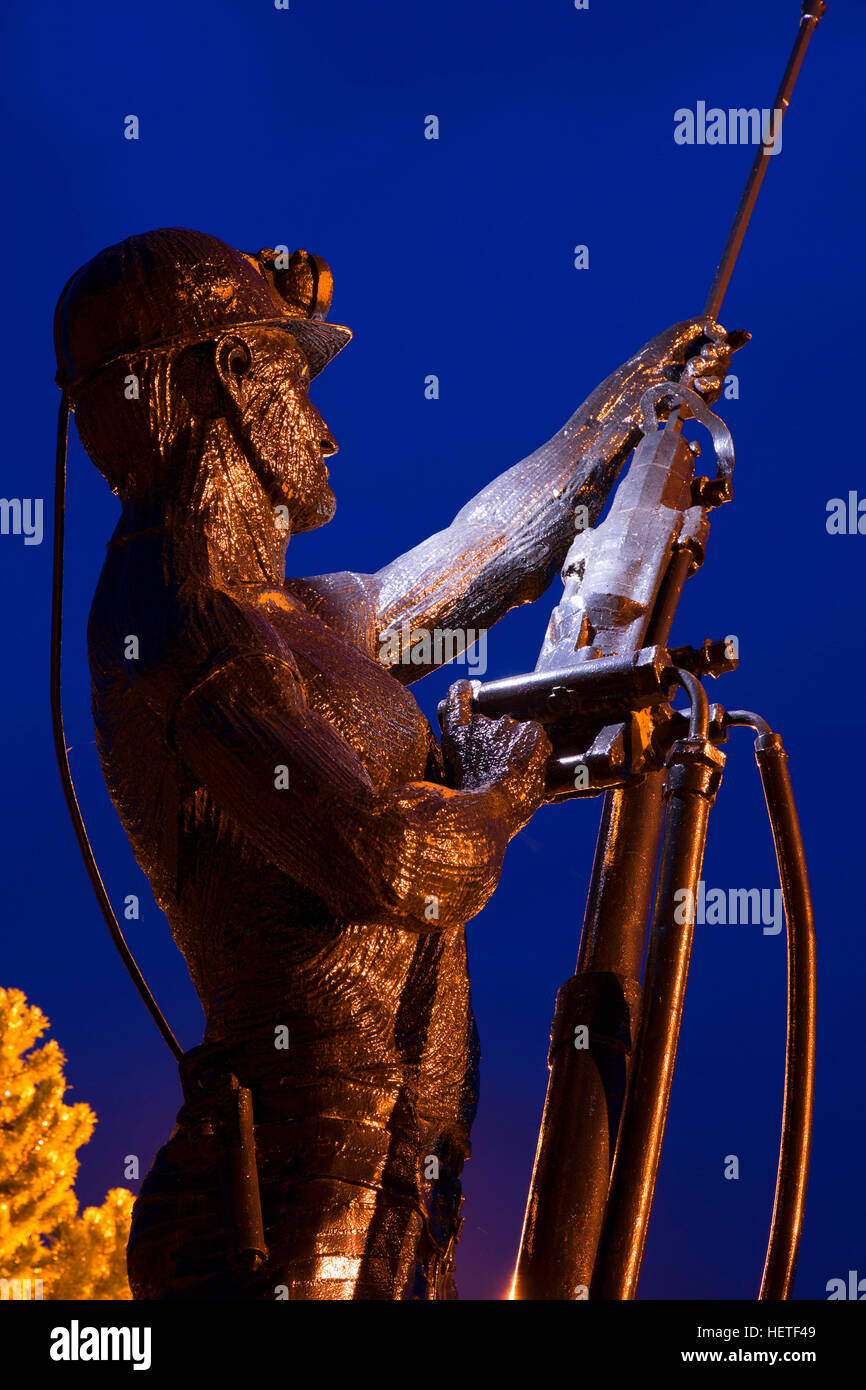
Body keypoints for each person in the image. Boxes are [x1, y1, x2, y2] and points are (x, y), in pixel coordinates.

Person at [54, 227, 742, 1299]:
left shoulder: (306, 617)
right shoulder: (180, 625)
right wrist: (510, 781)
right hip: (288, 1190)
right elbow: (383, 864)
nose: (324, 436)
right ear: (234, 378)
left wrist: (621, 413)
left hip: (398, 1170)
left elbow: (483, 553)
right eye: (298, 381)